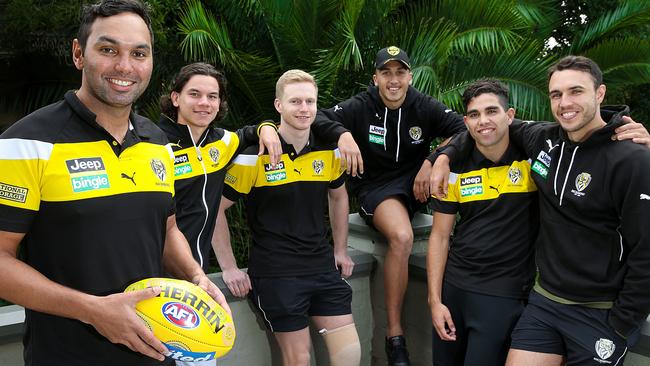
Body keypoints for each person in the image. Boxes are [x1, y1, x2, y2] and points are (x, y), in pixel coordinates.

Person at [0, 1, 228, 365]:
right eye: (108, 50)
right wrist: (93, 311)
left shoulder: (157, 142)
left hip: (159, 350)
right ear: (79, 54)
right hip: (67, 356)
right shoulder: (25, 144)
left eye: (139, 53)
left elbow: (167, 229)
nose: (125, 66)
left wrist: (196, 276)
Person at [432, 56, 650, 366]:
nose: (565, 103)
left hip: (601, 311)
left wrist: (623, 323)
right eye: (556, 94)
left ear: (599, 94)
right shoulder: (544, 140)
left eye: (576, 91)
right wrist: (443, 156)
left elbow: (646, 250)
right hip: (545, 303)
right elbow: (486, 128)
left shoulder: (631, 158)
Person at [314, 46, 466, 365]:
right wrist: (342, 134)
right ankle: (394, 337)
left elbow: (464, 129)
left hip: (415, 186)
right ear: (376, 78)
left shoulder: (423, 105)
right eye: (386, 73)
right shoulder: (361, 105)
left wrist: (434, 158)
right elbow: (319, 116)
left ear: (410, 76)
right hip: (376, 189)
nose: (393, 80)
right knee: (401, 237)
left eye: (400, 73)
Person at [215, 69, 361, 366]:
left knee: (349, 354)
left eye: (310, 101)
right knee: (299, 359)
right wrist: (229, 267)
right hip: (276, 271)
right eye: (295, 102)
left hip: (321, 265)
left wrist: (341, 249)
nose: (304, 109)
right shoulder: (253, 156)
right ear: (279, 106)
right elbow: (216, 209)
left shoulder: (328, 152)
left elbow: (339, 196)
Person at [158, 62, 283, 366]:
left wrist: (267, 127)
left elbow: (248, 133)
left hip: (196, 277)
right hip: (156, 275)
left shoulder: (222, 142)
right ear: (176, 98)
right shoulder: (154, 143)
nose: (204, 103)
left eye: (212, 97)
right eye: (195, 94)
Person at [427, 79, 537, 365]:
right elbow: (439, 236)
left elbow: (575, 136)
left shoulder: (532, 160)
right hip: (454, 290)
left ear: (510, 115)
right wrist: (434, 301)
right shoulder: (455, 167)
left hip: (503, 294)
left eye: (492, 112)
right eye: (475, 115)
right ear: (466, 121)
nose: (483, 121)